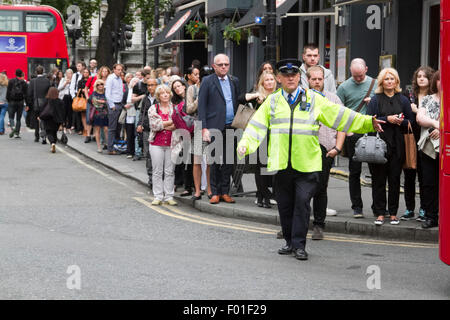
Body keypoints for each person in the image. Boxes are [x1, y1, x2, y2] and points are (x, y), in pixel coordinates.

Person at [237, 59, 384, 261]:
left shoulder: (314, 99)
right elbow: (256, 126)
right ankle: (289, 242)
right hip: (282, 164)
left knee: (302, 203)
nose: (290, 78)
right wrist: (245, 144)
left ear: (299, 77)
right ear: (279, 78)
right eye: (286, 75)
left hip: (307, 164)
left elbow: (339, 115)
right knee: (285, 206)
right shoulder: (272, 101)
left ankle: (299, 245)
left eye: (294, 74)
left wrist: (368, 122)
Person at [366, 68, 414, 225]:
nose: (389, 82)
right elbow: (369, 120)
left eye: (392, 79)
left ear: (397, 82)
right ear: (382, 82)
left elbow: (411, 122)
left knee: (394, 180)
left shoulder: (404, 100)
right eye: (386, 79)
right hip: (379, 145)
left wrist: (401, 121)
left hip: (398, 145)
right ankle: (380, 213)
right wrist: (387, 119)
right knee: (379, 180)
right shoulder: (375, 100)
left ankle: (393, 213)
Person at [306, 66, 347, 240]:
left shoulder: (334, 99)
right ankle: (295, 225)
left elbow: (343, 125)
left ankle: (318, 225)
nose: (317, 82)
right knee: (301, 188)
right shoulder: (301, 98)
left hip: (326, 149)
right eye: (313, 79)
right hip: (304, 149)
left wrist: (337, 148)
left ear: (324, 79)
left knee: (320, 188)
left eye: (319, 79)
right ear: (308, 80)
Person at [336, 58, 377, 218]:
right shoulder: (344, 87)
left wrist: (373, 101)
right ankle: (357, 207)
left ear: (366, 69)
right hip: (353, 133)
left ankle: (378, 207)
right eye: (355, 76)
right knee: (354, 172)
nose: (358, 79)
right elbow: (338, 111)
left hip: (372, 131)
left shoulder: (376, 83)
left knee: (377, 172)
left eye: (360, 75)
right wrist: (347, 132)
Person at [198, 53, 241, 205]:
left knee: (229, 161)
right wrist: (204, 128)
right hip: (214, 127)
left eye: (226, 64)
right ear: (214, 66)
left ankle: (225, 192)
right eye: (220, 64)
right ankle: (215, 192)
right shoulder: (207, 81)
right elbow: (201, 106)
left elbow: (237, 101)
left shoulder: (234, 80)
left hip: (231, 126)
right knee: (215, 161)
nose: (224, 67)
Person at [400, 66, 434, 222]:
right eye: (419, 76)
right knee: (409, 175)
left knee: (424, 177)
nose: (421, 78)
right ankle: (409, 208)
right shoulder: (409, 96)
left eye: (424, 76)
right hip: (410, 138)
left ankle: (424, 209)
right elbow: (404, 116)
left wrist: (416, 110)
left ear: (430, 79)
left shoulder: (433, 97)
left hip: (427, 140)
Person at [238, 70, 277, 208]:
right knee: (260, 166)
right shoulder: (259, 97)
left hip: (275, 135)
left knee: (269, 166)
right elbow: (240, 99)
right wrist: (256, 95)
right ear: (262, 83)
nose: (270, 82)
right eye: (266, 80)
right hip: (259, 135)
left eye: (272, 79)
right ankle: (265, 195)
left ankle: (261, 196)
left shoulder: (279, 96)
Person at [416, 70, 441, 229]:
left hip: (446, 148)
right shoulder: (427, 99)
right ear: (435, 82)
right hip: (428, 149)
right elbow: (420, 118)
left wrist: (442, 129)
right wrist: (435, 123)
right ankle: (431, 216)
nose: (442, 83)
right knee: (429, 183)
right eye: (440, 80)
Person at [187, 65, 213, 201]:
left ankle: (209, 189)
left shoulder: (215, 87)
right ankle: (197, 190)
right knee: (197, 161)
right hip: (198, 125)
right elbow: (189, 108)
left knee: (209, 161)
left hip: (212, 125)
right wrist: (200, 98)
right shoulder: (192, 89)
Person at [148, 84, 177, 206]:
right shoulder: (153, 108)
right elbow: (154, 125)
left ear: (170, 94)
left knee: (170, 171)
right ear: (158, 96)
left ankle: (169, 196)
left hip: (172, 143)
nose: (165, 94)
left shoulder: (175, 108)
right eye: (162, 93)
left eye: (167, 92)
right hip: (156, 143)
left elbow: (178, 125)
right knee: (157, 171)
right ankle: (158, 196)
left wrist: (163, 123)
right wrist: (170, 122)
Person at [137, 78, 158, 187]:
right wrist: (139, 124)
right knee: (148, 155)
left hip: (158, 130)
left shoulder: (160, 98)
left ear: (157, 85)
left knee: (157, 155)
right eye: (148, 85)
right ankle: (151, 179)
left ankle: (158, 178)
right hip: (146, 129)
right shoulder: (146, 98)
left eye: (152, 85)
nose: (150, 87)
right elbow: (142, 113)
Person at [27, 65, 51, 143]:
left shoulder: (33, 81)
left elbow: (29, 94)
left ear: (36, 72)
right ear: (43, 71)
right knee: (44, 120)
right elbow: (49, 92)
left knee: (36, 120)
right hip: (45, 103)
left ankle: (37, 136)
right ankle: (44, 136)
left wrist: (28, 104)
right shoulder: (47, 80)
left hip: (36, 103)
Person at [105, 64, 125, 155]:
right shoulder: (111, 78)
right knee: (112, 128)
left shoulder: (120, 79)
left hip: (119, 104)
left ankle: (115, 146)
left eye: (121, 70)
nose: (120, 71)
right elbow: (107, 93)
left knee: (118, 127)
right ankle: (110, 148)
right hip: (114, 105)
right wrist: (112, 105)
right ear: (114, 70)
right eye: (118, 69)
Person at [40, 87, 65, 153]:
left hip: (48, 119)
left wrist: (39, 116)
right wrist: (63, 122)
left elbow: (41, 109)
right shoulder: (60, 101)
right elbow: (63, 112)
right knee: (54, 132)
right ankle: (54, 143)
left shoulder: (46, 100)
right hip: (57, 120)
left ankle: (52, 143)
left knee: (49, 133)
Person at [87, 79, 109, 153]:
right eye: (98, 84)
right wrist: (102, 102)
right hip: (96, 114)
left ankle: (107, 144)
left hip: (105, 114)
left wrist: (101, 102)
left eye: (101, 84)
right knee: (98, 130)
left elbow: (108, 102)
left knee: (106, 129)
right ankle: (99, 147)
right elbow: (93, 102)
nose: (100, 86)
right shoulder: (94, 93)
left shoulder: (106, 92)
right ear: (96, 86)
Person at [6, 69, 28, 138]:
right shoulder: (24, 83)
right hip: (20, 102)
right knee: (18, 118)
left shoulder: (11, 81)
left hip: (12, 101)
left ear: (15, 74)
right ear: (21, 74)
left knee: (11, 116)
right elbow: (26, 94)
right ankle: (17, 133)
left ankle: (13, 127)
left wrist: (8, 100)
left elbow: (8, 92)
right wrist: (27, 103)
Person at [124, 77, 139, 159]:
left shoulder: (139, 92)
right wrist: (125, 106)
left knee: (135, 134)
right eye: (134, 82)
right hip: (129, 114)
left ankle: (136, 151)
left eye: (137, 82)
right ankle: (129, 151)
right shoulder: (127, 91)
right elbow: (123, 101)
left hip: (136, 113)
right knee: (129, 133)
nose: (135, 83)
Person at [70, 61, 87, 133]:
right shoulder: (75, 75)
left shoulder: (86, 74)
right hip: (77, 95)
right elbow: (72, 86)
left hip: (86, 95)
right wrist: (73, 96)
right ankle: (79, 128)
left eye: (79, 66)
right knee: (77, 112)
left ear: (83, 67)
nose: (77, 67)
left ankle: (85, 128)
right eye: (77, 66)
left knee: (85, 112)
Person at [58, 69, 74, 134]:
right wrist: (65, 83)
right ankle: (64, 126)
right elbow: (59, 88)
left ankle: (69, 127)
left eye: (70, 73)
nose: (69, 75)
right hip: (64, 97)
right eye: (67, 73)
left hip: (70, 97)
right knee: (64, 113)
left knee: (70, 113)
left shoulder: (73, 80)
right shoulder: (63, 79)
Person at [77, 68, 91, 139]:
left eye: (87, 72)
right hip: (82, 99)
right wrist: (84, 90)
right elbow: (78, 90)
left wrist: (87, 90)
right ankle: (85, 129)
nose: (85, 73)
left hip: (89, 99)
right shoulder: (80, 81)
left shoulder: (91, 80)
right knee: (83, 115)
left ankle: (89, 130)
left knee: (89, 115)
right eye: (84, 72)